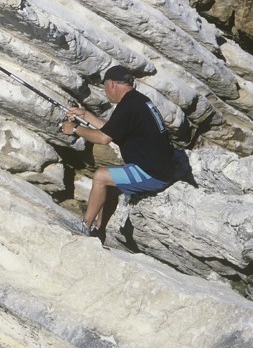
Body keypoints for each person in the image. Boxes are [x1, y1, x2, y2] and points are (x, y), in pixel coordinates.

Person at [61, 65, 180, 238]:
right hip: (160, 167)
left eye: (105, 88)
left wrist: (74, 129)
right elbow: (111, 131)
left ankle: (84, 225)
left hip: (154, 173)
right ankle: (98, 232)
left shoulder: (128, 106)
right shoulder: (137, 100)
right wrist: (85, 115)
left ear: (112, 85)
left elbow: (103, 138)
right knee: (109, 186)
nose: (106, 93)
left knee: (101, 176)